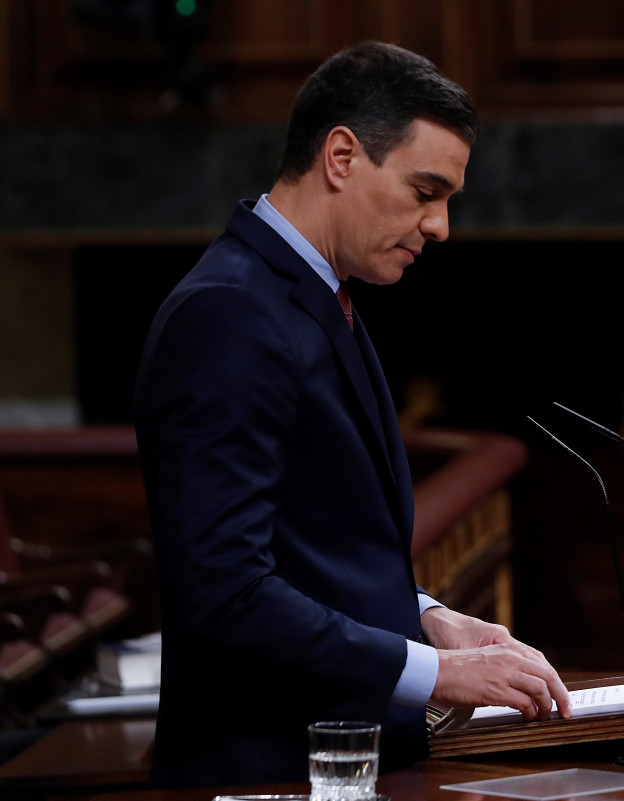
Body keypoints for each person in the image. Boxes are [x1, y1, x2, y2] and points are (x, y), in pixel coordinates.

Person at [133, 41, 571, 788]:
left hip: (334, 759)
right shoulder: (229, 313)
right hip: (263, 770)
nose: (439, 226)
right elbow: (225, 593)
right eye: (424, 191)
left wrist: (424, 613)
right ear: (341, 157)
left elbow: (315, 539)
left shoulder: (310, 292)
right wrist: (432, 671)